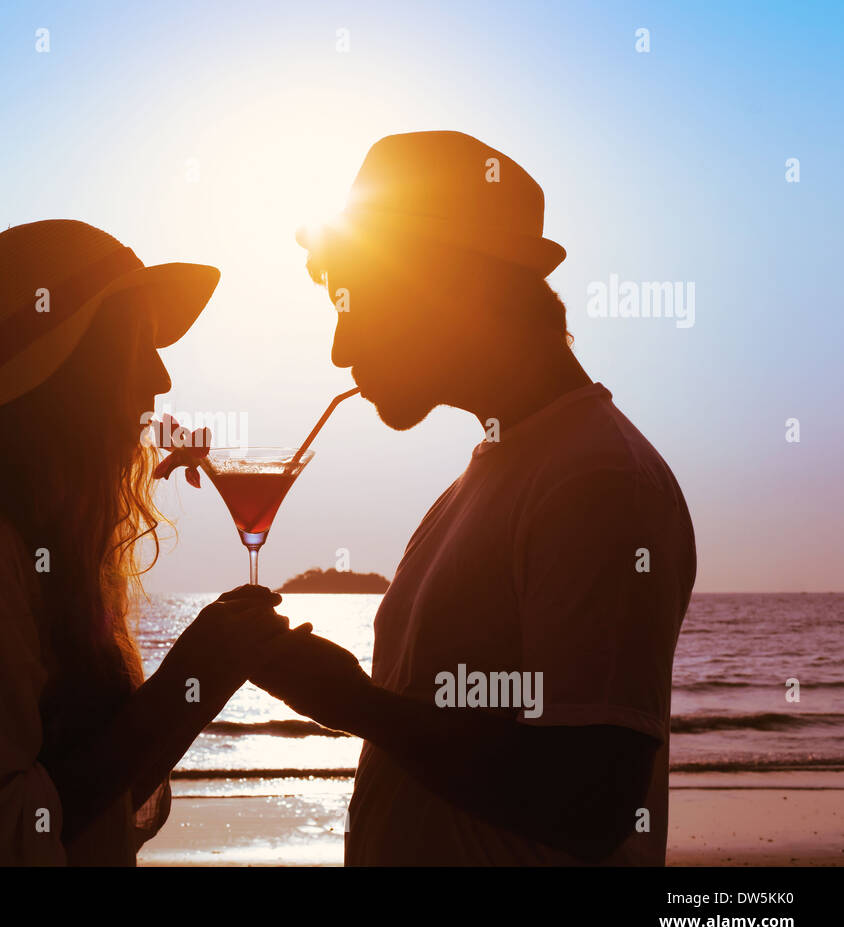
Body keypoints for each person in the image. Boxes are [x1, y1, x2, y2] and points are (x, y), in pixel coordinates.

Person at [251, 132, 697, 865]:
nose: (338, 348)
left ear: (450, 288)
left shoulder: (598, 483)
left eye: (354, 305)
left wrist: (352, 704)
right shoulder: (493, 474)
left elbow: (590, 802)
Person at [0, 219, 293, 865]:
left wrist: (205, 681)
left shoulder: (30, 539)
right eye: (139, 343)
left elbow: (95, 808)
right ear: (68, 366)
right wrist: (185, 683)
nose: (161, 377)